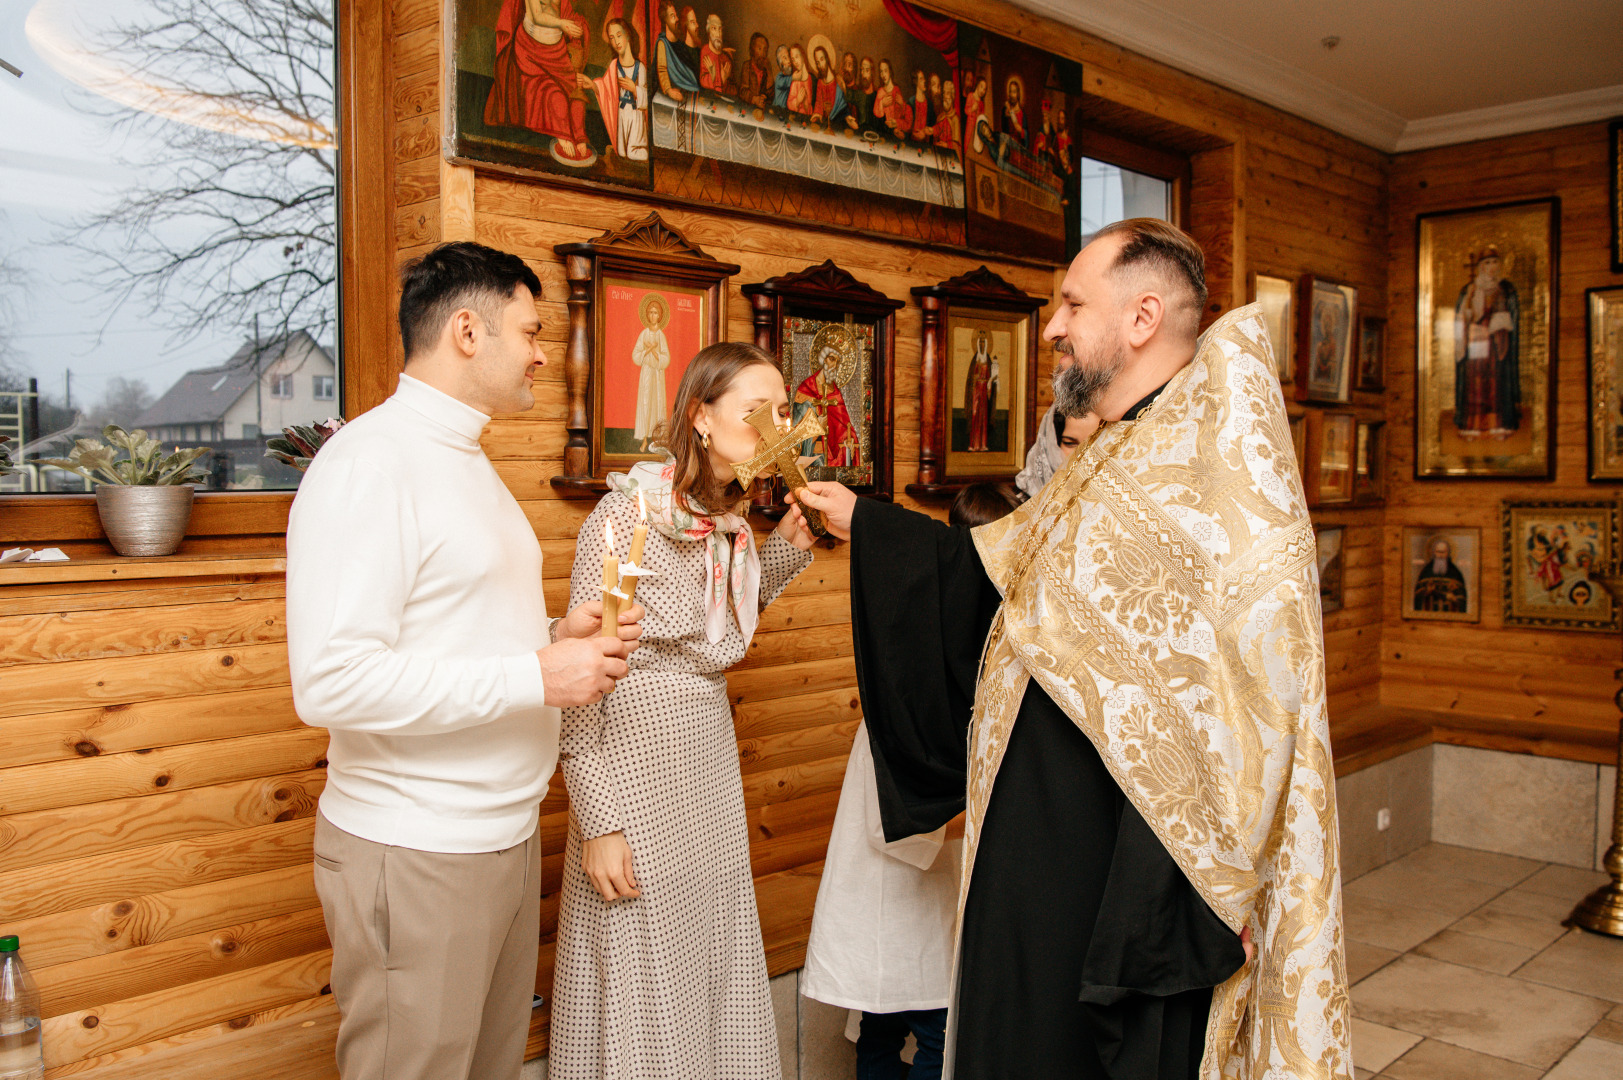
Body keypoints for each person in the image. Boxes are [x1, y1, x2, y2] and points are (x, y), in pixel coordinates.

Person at [793, 219, 1349, 1079]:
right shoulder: (1118, 451)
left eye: (1071, 303)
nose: (1051, 327)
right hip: (1039, 854)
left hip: (1123, 882)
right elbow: (1004, 576)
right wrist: (863, 523)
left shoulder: (1216, 474)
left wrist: (1166, 904)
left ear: (1141, 317)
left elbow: (1256, 691)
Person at [287, 242, 643, 1080]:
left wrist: (556, 637)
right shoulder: (370, 463)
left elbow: (449, 633)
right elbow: (330, 678)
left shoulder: (466, 459)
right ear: (468, 330)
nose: (543, 352)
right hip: (417, 851)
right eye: (530, 330)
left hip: (501, 840)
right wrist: (536, 677)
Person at [550, 343, 817, 1079]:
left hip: (704, 756)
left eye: (784, 412)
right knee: (643, 947)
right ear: (701, 416)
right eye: (755, 411)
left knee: (708, 948)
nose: (774, 427)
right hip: (633, 757)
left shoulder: (727, 523)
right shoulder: (625, 514)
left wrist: (783, 554)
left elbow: (712, 633)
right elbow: (586, 674)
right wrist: (598, 821)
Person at [800, 482, 1019, 1080]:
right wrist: (998, 818)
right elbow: (899, 826)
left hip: (926, 913)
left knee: (886, 1027)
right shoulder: (906, 702)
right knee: (924, 1032)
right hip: (898, 910)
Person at [484, 0, 593, 166]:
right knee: (554, 95)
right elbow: (537, 16)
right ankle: (562, 133)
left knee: (575, 95)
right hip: (530, 51)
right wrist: (562, 23)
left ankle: (578, 136)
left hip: (557, 52)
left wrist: (576, 27)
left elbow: (564, 11)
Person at [1453, 244, 1521, 438]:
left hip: (1496, 342)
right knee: (1474, 382)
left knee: (1495, 382)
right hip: (1475, 340)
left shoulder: (1505, 289)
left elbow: (1513, 318)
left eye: (1494, 262)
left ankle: (1499, 424)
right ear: (1481, 266)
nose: (1491, 266)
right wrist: (1466, 316)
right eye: (1486, 263)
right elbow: (1461, 317)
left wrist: (1499, 324)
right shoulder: (1470, 289)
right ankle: (1472, 425)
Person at [583, 17, 647, 161]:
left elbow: (646, 98)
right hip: (620, 116)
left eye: (619, 35)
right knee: (622, 153)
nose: (616, 41)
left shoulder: (640, 67)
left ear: (628, 35)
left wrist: (634, 89)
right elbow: (605, 89)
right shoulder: (614, 66)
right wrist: (592, 85)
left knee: (633, 153)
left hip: (635, 117)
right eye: (612, 38)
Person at [632, 294, 672, 451]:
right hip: (647, 373)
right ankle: (643, 439)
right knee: (645, 403)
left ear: (660, 316)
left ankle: (658, 439)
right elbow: (636, 355)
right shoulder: (643, 334)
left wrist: (654, 352)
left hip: (657, 375)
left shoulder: (661, 335)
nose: (653, 315)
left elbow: (666, 358)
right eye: (651, 312)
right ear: (647, 314)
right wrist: (647, 350)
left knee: (656, 403)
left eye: (656, 312)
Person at [653, 0, 697, 101]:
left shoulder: (680, 44)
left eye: (676, 15)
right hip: (674, 97)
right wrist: (669, 90)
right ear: (665, 20)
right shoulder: (662, 43)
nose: (677, 19)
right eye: (673, 16)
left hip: (690, 93)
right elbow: (662, 69)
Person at [1413, 536, 1468, 613]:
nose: (1440, 555)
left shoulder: (1455, 573)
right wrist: (1426, 591)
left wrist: (1454, 599)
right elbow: (1417, 596)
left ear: (1448, 553)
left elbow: (1462, 598)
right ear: (1434, 552)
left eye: (1443, 552)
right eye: (1438, 552)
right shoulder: (1426, 572)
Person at [962, 331, 997, 452]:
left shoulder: (987, 359)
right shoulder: (975, 359)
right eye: (980, 342)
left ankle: (982, 444)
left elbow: (991, 378)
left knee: (983, 418)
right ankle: (974, 444)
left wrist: (989, 385)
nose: (982, 344)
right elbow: (971, 378)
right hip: (976, 392)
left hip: (984, 393)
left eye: (984, 342)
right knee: (975, 418)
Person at [699, 13, 733, 95]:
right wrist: (714, 76)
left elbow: (733, 89)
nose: (718, 34)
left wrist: (724, 80)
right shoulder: (705, 51)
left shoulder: (726, 57)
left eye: (720, 29)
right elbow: (702, 81)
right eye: (714, 28)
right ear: (708, 31)